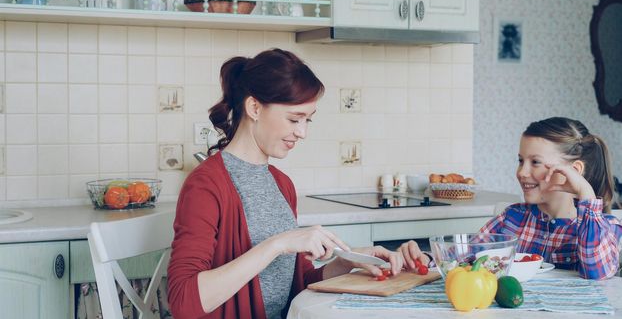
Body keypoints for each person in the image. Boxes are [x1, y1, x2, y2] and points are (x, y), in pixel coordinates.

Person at [167, 49, 403, 319]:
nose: (302, 132)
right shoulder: (206, 185)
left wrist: (346, 263)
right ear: (254, 108)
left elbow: (295, 284)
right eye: (294, 119)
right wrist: (278, 244)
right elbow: (184, 302)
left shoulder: (281, 184)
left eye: (307, 120)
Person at [398, 117, 622, 280]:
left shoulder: (605, 227)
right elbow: (467, 257)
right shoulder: (512, 219)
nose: (522, 173)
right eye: (520, 160)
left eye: (535, 162)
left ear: (574, 170)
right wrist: (425, 257)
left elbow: (596, 271)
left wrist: (585, 192)